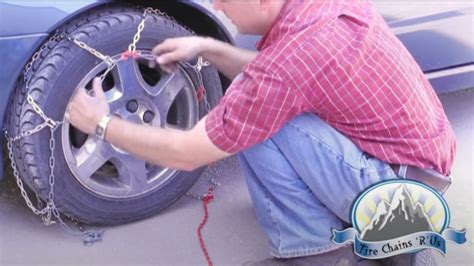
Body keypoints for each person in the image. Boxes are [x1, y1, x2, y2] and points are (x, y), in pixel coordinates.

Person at [67, 0, 455, 265]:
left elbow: (187, 152)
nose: (217, 5)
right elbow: (281, 73)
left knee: (246, 108)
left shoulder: (292, 61)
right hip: (421, 171)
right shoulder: (316, 12)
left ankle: (315, 252)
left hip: (396, 195)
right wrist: (207, 47)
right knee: (254, 101)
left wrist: (100, 124)